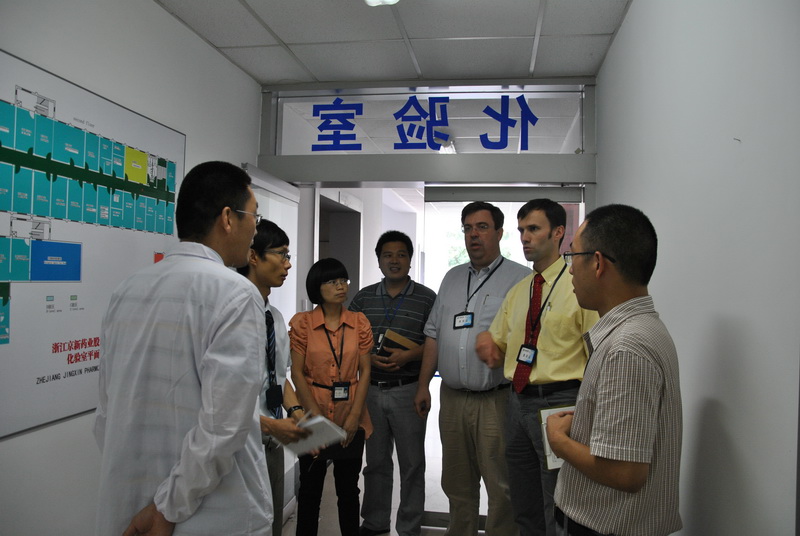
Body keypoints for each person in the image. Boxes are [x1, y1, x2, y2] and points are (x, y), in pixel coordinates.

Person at [94, 161, 271, 535]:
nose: (256, 229)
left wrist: (151, 498)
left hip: (129, 506)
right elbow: (223, 427)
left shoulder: (127, 289)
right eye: (254, 216)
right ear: (228, 218)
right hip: (204, 515)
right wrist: (167, 506)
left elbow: (106, 414)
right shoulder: (236, 294)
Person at [546, 204, 682, 536]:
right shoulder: (642, 328)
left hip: (604, 526)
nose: (570, 270)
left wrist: (558, 440)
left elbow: (625, 473)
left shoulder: (627, 346)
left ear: (597, 263)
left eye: (572, 256)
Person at [476, 199, 598, 536]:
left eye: (533, 229)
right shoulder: (518, 292)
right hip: (517, 403)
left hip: (560, 403)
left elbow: (597, 356)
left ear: (558, 233)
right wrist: (487, 342)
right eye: (521, 231)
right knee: (523, 498)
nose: (525, 238)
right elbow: (498, 341)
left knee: (558, 501)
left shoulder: (579, 288)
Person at [414, 201, 529, 536]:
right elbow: (433, 334)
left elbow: (528, 340)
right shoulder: (452, 277)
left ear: (499, 233)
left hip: (496, 400)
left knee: (501, 486)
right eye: (467, 228)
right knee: (456, 482)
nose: (473, 235)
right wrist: (423, 385)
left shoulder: (521, 279)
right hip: (452, 398)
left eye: (482, 227)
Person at [349, 231, 437, 536]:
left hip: (408, 389)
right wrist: (368, 360)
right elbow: (348, 341)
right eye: (388, 255)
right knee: (375, 463)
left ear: (410, 260)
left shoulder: (427, 298)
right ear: (379, 260)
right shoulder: (363, 298)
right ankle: (375, 523)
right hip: (370, 392)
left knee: (412, 464)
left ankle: (409, 527)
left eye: (401, 254)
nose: (394, 260)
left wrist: (410, 355)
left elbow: (437, 342)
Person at [236, 219, 311, 536]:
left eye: (288, 255)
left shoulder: (275, 318)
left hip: (272, 439)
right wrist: (268, 425)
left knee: (271, 523)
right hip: (240, 442)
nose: (288, 264)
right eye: (281, 254)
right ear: (254, 256)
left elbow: (279, 377)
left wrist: (297, 414)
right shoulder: (233, 314)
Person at [290, 258, 373, 536]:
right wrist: (315, 419)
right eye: (332, 281)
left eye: (343, 280)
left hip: (351, 412)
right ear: (317, 286)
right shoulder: (303, 324)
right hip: (312, 415)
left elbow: (365, 371)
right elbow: (297, 373)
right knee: (310, 490)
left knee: (348, 490)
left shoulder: (359, 322)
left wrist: (354, 417)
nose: (340, 286)